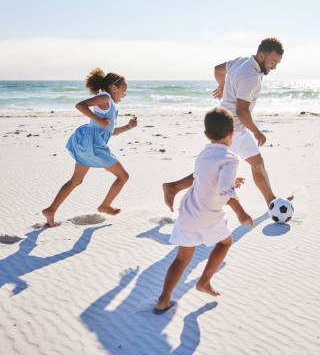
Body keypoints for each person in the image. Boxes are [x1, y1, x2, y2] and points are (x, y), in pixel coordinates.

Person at [162, 37, 285, 210]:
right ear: (262, 56)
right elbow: (242, 111)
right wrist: (257, 132)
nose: (274, 66)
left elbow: (218, 69)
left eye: (277, 63)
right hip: (231, 131)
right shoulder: (250, 76)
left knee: (257, 163)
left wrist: (222, 86)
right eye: (273, 61)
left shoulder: (242, 61)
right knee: (211, 171)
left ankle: (272, 202)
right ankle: (173, 187)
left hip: (233, 127)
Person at [155, 107, 253, 313]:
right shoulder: (231, 158)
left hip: (188, 214)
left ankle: (163, 299)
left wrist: (230, 181)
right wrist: (241, 212)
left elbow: (206, 179)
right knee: (225, 243)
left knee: (182, 259)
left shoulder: (202, 155)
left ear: (206, 135)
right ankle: (204, 281)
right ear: (232, 134)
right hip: (210, 216)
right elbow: (225, 190)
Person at [42, 68, 138, 227]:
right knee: (123, 177)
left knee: (76, 180)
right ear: (114, 88)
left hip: (88, 143)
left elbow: (109, 132)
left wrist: (128, 127)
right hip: (92, 145)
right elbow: (80, 105)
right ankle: (105, 206)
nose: (125, 94)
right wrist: (99, 121)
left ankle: (51, 210)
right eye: (124, 90)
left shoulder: (111, 105)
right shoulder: (105, 98)